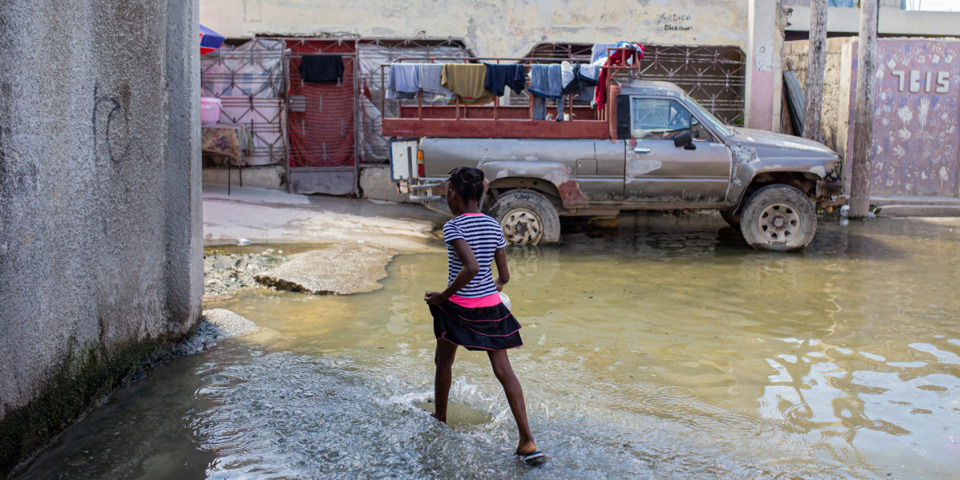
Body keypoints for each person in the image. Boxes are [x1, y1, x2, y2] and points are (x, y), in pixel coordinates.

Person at [424, 167, 546, 466]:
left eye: (447, 191)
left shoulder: (453, 227)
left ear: (453, 194)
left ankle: (440, 416)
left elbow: (471, 268)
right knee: (505, 372)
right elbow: (502, 275)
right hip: (491, 308)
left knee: (443, 361)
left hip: (458, 307)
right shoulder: (493, 225)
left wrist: (442, 297)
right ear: (480, 193)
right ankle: (528, 441)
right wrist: (495, 288)